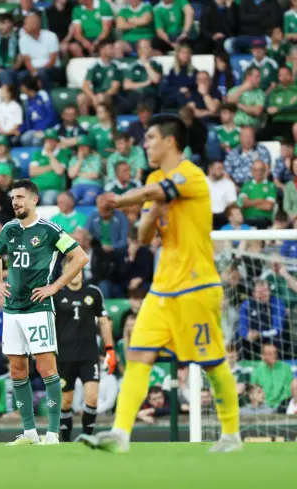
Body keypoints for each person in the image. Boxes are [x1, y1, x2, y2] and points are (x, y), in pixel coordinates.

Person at [79, 115, 241, 453]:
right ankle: (120, 434)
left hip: (197, 285)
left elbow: (160, 191)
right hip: (163, 287)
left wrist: (119, 200)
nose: (145, 143)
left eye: (150, 137)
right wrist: (150, 214)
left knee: (211, 362)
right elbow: (145, 235)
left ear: (169, 141)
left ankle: (231, 435)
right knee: (137, 353)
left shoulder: (191, 174)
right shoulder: (153, 177)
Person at [0, 179, 88, 445]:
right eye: (13, 198)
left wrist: (54, 286)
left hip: (38, 308)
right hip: (12, 309)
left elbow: (80, 257)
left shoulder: (49, 230)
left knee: (46, 368)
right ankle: (30, 432)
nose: (15, 202)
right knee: (17, 369)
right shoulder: (9, 229)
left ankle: (53, 434)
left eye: (20, 197)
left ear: (34, 200)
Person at [54, 261, 115, 441]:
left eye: (79, 269)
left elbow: (103, 322)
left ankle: (86, 437)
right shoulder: (56, 293)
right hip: (64, 356)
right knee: (66, 401)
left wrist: (110, 349)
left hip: (88, 355)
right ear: (64, 271)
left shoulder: (93, 292)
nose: (77, 272)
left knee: (92, 397)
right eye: (72, 269)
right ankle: (65, 440)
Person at [18, 11, 63, 91]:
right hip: (33, 70)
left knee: (43, 73)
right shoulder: (23, 39)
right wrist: (35, 72)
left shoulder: (51, 36)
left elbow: (52, 60)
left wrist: (39, 72)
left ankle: (47, 95)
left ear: (36, 25)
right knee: (20, 75)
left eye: (26, 24)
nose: (24, 27)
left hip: (52, 69)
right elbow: (27, 61)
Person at [78, 40, 122, 116]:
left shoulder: (116, 66)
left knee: (101, 97)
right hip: (95, 94)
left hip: (110, 95)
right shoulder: (94, 66)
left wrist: (102, 96)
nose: (113, 51)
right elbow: (85, 86)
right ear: (102, 50)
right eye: (110, 48)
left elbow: (115, 87)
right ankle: (85, 121)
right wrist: (93, 97)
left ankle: (103, 119)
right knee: (81, 98)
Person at [251, 343, 293, 409]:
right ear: (262, 356)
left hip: (283, 406)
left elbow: (288, 391)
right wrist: (266, 404)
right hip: (263, 406)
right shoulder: (257, 371)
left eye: (275, 353)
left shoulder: (285, 368)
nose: (274, 356)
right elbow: (254, 391)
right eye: (270, 354)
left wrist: (278, 405)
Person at [237, 160, 276, 229]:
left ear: (264, 171)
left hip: (264, 220)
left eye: (261, 170)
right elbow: (242, 203)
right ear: (251, 171)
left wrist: (250, 203)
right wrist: (260, 200)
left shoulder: (271, 186)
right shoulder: (246, 185)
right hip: (247, 220)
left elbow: (268, 206)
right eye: (255, 170)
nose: (258, 172)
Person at [208, 161, 238, 229]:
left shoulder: (229, 184)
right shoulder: (203, 182)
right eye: (219, 169)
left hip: (223, 216)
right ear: (210, 169)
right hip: (206, 215)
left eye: (222, 169)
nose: (221, 171)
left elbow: (232, 203)